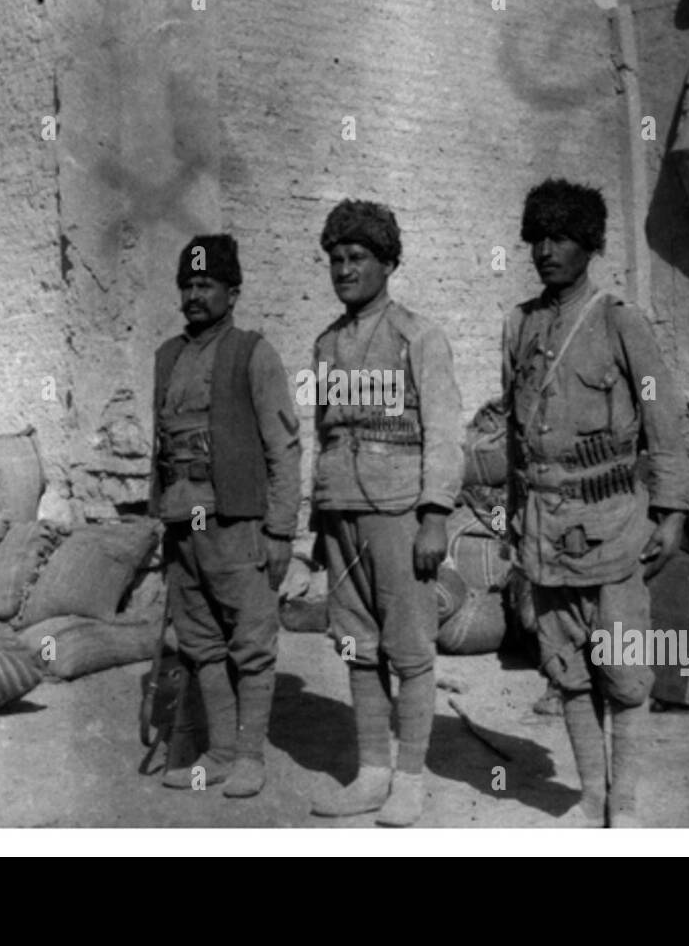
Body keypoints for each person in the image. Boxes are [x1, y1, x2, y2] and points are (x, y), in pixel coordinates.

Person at [503, 179, 689, 827]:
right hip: (546, 532)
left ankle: (628, 808)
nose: (547, 251)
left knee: (624, 671)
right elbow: (513, 436)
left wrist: (671, 510)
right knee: (567, 668)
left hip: (612, 528)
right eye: (538, 239)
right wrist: (512, 515)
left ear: (590, 245)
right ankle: (591, 798)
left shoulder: (620, 322)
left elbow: (664, 418)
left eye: (561, 238)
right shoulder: (520, 327)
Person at [308, 199, 463, 828]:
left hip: (399, 508)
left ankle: (409, 780)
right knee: (355, 645)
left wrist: (435, 515)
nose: (345, 269)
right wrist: (313, 526)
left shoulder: (417, 336)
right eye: (336, 259)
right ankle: (371, 772)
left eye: (358, 258)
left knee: (409, 647)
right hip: (339, 509)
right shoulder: (324, 343)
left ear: (388, 263)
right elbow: (322, 435)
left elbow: (445, 431)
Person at [149, 233, 301, 798]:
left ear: (232, 291)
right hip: (180, 521)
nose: (194, 295)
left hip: (236, 523)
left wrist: (282, 528)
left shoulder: (253, 353)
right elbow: (161, 445)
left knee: (252, 642)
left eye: (205, 284)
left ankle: (250, 757)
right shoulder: (167, 356)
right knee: (199, 642)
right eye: (186, 285)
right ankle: (217, 752)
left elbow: (283, 446)